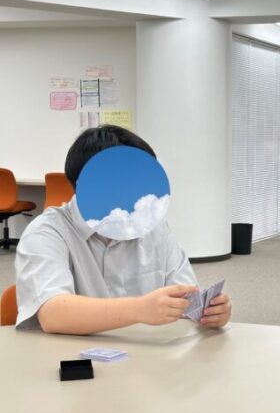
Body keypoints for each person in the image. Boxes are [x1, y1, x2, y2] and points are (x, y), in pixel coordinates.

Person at [15, 125, 232, 334]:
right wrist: (140, 309)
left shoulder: (153, 227)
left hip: (148, 353)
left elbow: (185, 296)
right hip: (72, 353)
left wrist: (209, 311)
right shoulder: (47, 232)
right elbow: (53, 314)